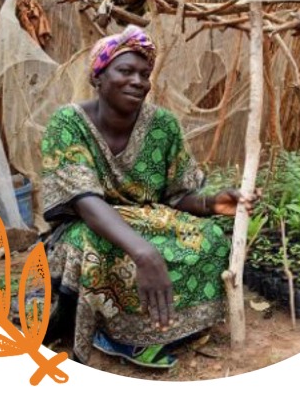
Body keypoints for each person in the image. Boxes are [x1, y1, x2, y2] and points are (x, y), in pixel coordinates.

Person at [41, 25, 248, 369]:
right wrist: (144, 252)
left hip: (149, 220)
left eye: (144, 73)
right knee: (101, 250)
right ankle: (115, 333)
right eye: (125, 71)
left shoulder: (163, 125)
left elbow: (179, 195)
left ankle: (170, 327)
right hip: (89, 227)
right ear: (98, 76)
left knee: (211, 238)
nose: (138, 80)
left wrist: (212, 203)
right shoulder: (68, 124)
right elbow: (84, 201)